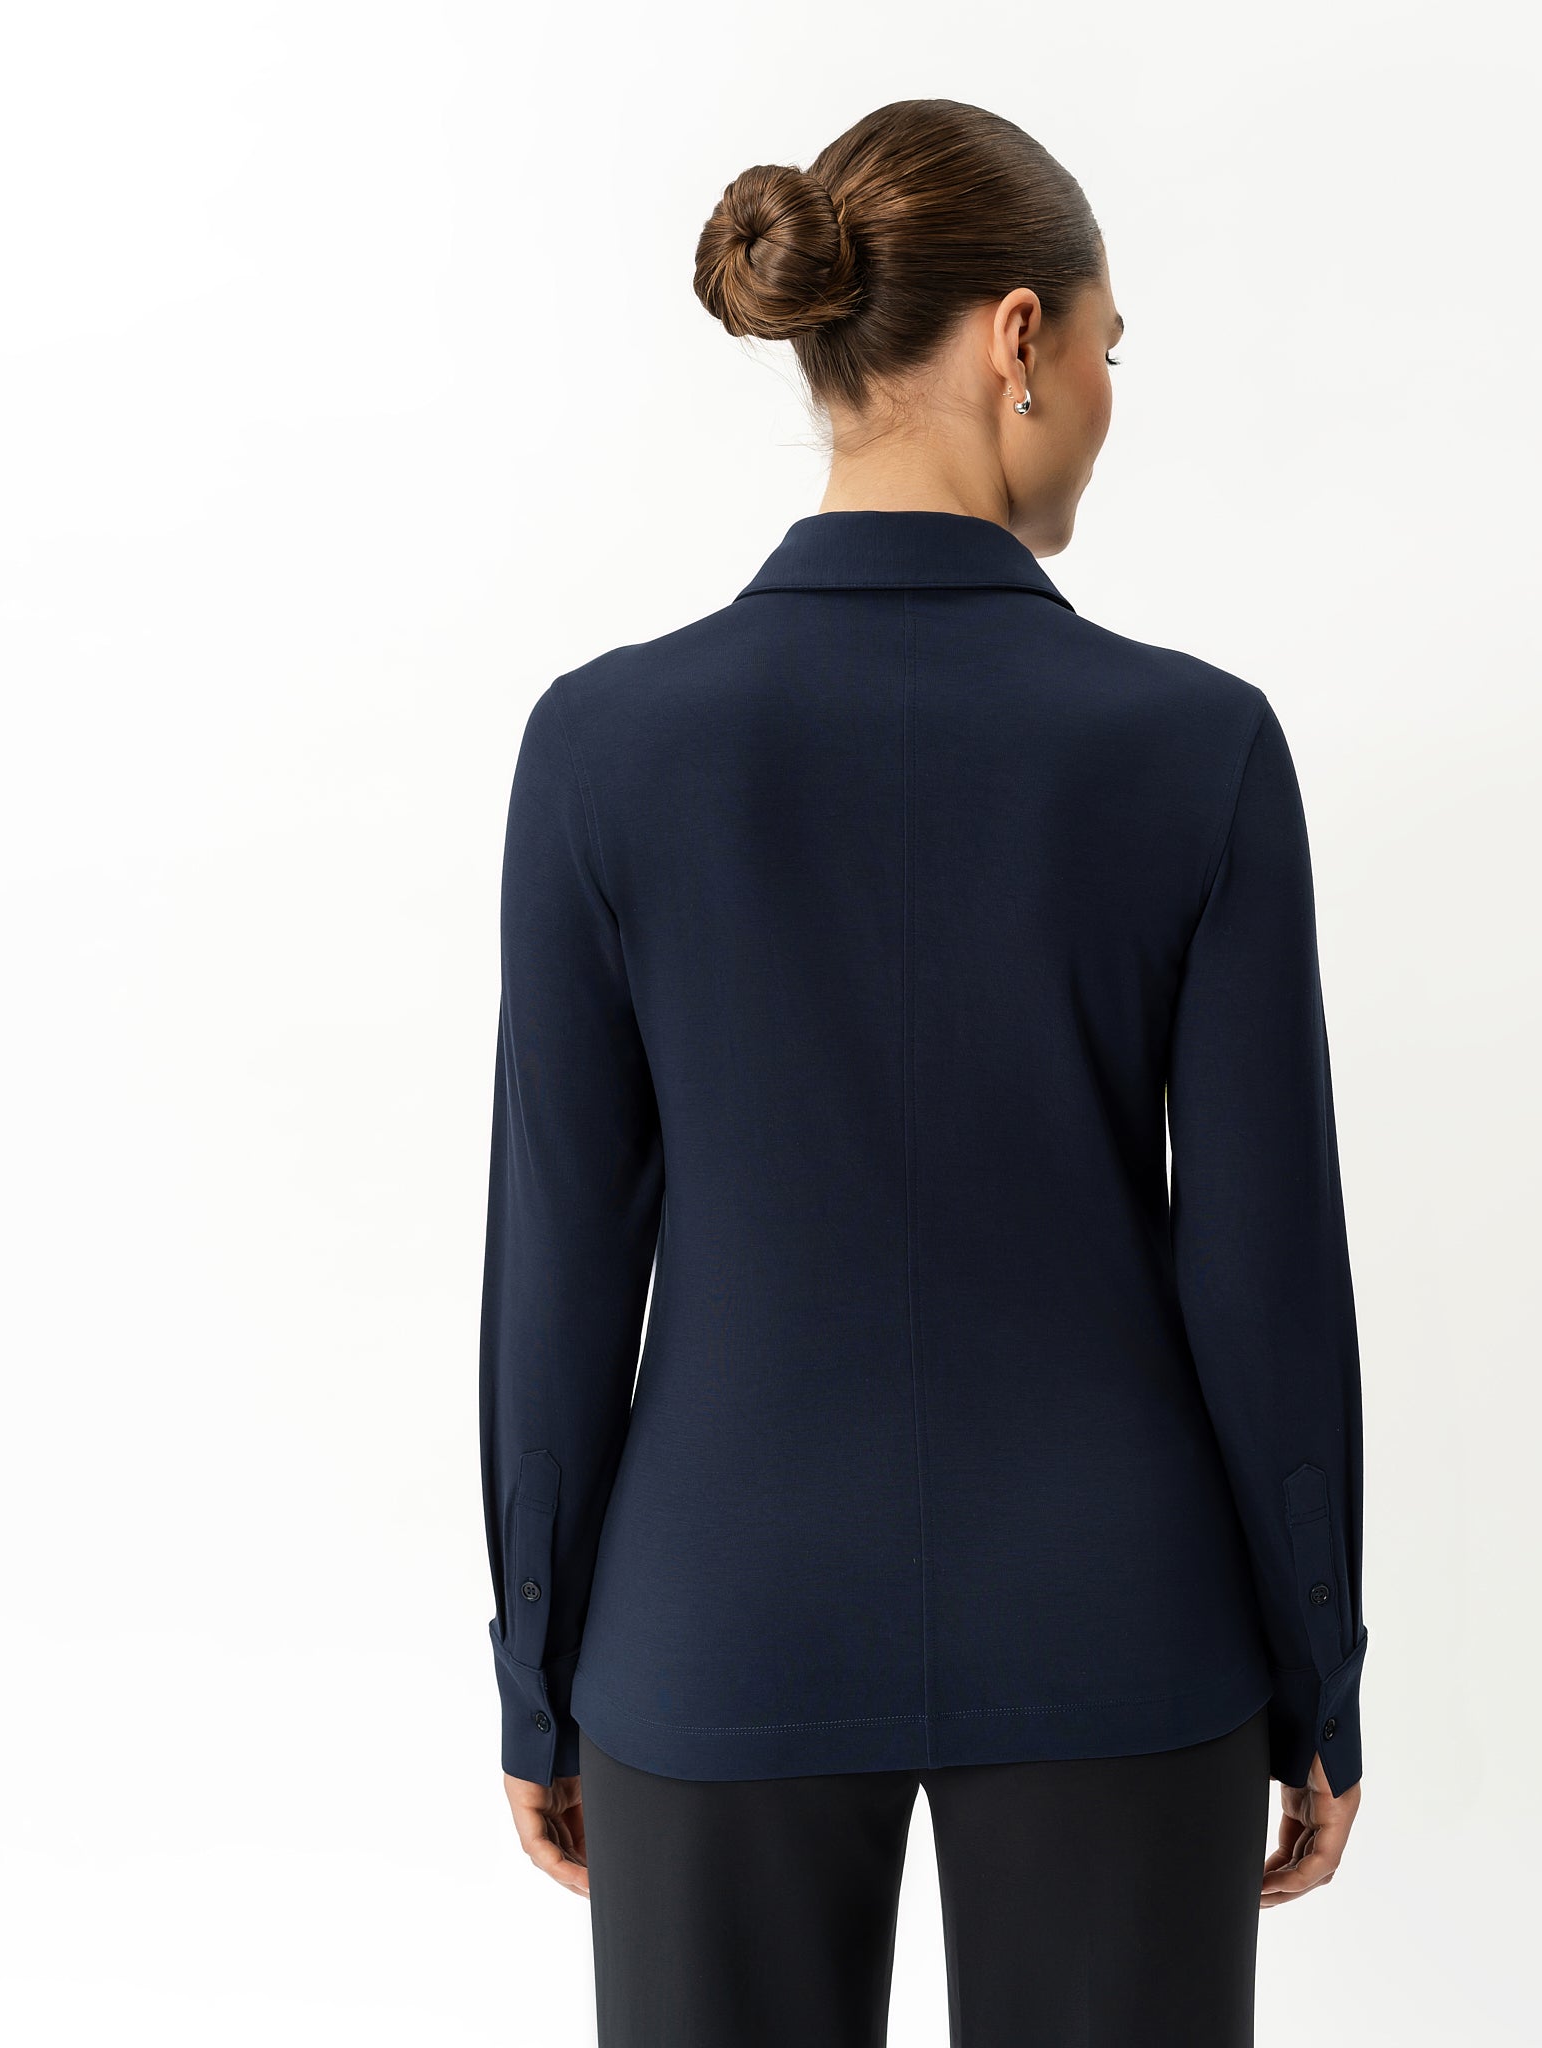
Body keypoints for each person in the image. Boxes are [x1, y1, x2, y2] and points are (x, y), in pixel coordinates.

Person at [478, 96, 1369, 2048]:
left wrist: (537, 1674)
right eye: (1111, 347)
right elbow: (1265, 1274)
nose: (1108, 400)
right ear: (1017, 336)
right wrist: (1321, 1673)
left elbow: (560, 1266)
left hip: (711, 1628)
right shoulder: (1196, 749)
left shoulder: (603, 750)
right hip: (1121, 1633)